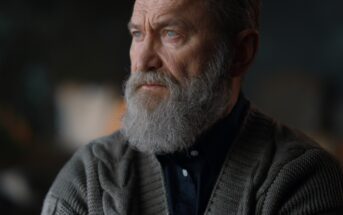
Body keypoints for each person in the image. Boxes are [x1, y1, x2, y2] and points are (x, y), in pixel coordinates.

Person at [42, 0, 343, 214]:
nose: (143, 59)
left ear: (240, 53)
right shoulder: (89, 177)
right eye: (137, 34)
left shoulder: (302, 179)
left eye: (171, 33)